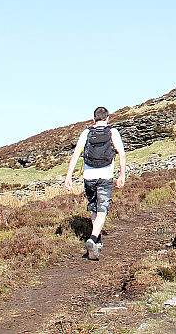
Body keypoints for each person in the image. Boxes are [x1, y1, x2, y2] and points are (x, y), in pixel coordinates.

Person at [65, 106, 127, 260]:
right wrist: (122, 175)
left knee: (94, 207)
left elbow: (75, 155)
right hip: (105, 176)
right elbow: (122, 154)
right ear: (107, 118)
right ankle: (93, 238)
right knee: (102, 209)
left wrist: (68, 177)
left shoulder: (86, 132)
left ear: (94, 119)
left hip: (89, 176)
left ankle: (97, 242)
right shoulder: (113, 132)